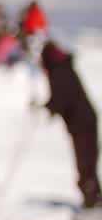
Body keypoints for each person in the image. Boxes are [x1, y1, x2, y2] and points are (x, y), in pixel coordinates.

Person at [40, 41, 99, 210]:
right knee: (87, 161)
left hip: (82, 123)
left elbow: (60, 100)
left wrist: (46, 109)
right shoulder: (63, 67)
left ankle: (92, 199)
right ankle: (92, 197)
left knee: (86, 161)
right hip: (83, 121)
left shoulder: (59, 71)